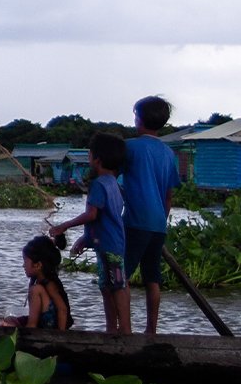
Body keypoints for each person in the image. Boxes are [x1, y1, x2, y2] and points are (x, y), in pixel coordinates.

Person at [49, 133, 130, 335]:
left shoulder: (99, 184)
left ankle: (123, 330)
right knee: (108, 286)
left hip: (109, 245)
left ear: (97, 159)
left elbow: (92, 214)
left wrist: (64, 226)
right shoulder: (114, 184)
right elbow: (105, 217)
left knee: (115, 287)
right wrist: (85, 239)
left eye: (90, 154)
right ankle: (113, 329)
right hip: (111, 243)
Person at [122, 96, 181, 333]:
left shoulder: (130, 147)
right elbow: (168, 197)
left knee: (121, 278)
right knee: (152, 279)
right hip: (157, 224)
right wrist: (161, 221)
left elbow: (112, 179)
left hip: (135, 221)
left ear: (139, 119)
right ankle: (151, 330)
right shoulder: (168, 153)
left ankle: (122, 329)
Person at [8, 235, 73, 329]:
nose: (23, 265)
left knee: (35, 290)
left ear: (38, 265)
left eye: (25, 261)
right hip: (45, 322)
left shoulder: (46, 285)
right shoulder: (40, 281)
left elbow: (62, 309)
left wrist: (60, 336)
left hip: (51, 328)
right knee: (10, 320)